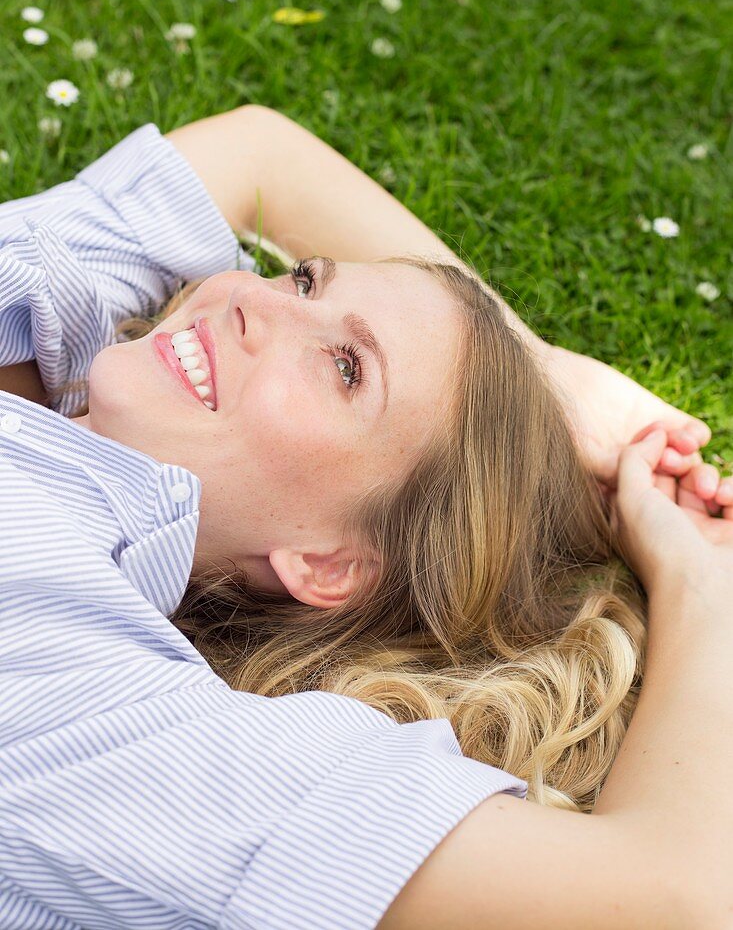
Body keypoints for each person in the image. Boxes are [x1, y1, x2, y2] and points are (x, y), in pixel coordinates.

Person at [0, 104, 728, 928]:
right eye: (304, 278)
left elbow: (673, 899)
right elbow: (259, 152)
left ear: (327, 562)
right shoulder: (53, 309)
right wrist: (555, 381)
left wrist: (703, 587)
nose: (251, 300)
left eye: (346, 369)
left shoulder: (74, 679)